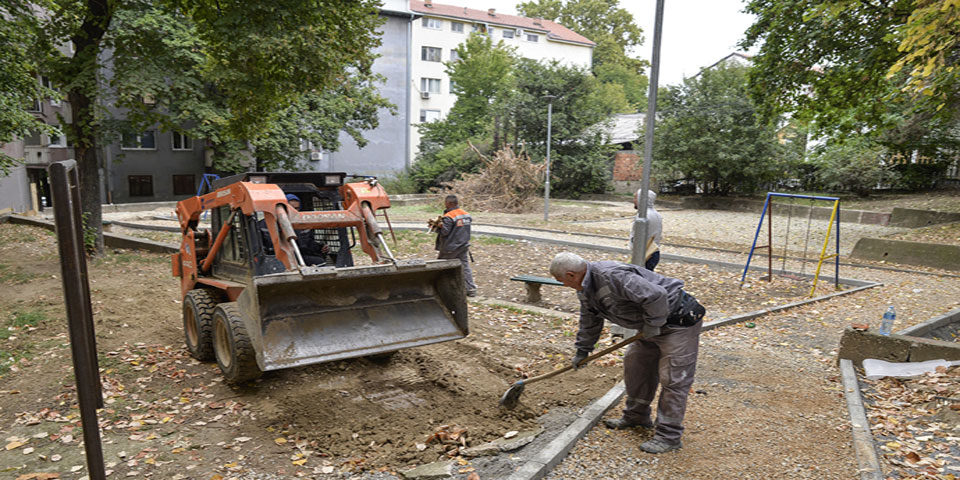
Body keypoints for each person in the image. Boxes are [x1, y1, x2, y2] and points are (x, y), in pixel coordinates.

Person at [549, 251, 705, 454]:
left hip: (677, 322)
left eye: (561, 280)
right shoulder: (585, 288)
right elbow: (590, 319)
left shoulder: (613, 276)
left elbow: (656, 295)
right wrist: (583, 349)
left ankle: (669, 435)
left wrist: (653, 324)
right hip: (649, 325)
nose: (563, 284)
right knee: (636, 367)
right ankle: (636, 416)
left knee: (673, 378)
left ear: (571, 274)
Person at [260, 193, 329, 266]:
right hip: (274, 258)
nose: (293, 211)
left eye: (296, 208)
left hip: (300, 257)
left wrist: (320, 248)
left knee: (320, 262)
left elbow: (309, 244)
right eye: (291, 208)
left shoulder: (303, 225)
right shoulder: (264, 225)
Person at [434, 194, 477, 297]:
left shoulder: (449, 216)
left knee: (440, 266)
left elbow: (445, 232)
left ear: (448, 203)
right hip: (463, 245)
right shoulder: (466, 214)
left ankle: (438, 288)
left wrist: (437, 226)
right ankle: (470, 289)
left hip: (450, 247)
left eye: (445, 203)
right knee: (465, 267)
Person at [629, 189, 663, 271]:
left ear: (642, 199)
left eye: (635, 198)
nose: (633, 201)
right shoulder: (656, 214)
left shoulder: (643, 217)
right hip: (653, 252)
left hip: (645, 255)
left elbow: (637, 238)